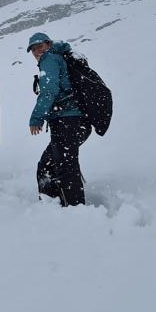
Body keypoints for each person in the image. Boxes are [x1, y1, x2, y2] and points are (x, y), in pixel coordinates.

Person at [27, 31, 91, 206]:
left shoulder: (50, 59)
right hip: (78, 121)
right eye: (33, 49)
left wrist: (37, 118)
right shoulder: (59, 57)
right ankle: (58, 204)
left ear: (48, 44)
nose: (36, 52)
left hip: (66, 120)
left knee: (60, 167)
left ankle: (71, 208)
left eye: (39, 46)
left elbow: (49, 91)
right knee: (56, 164)